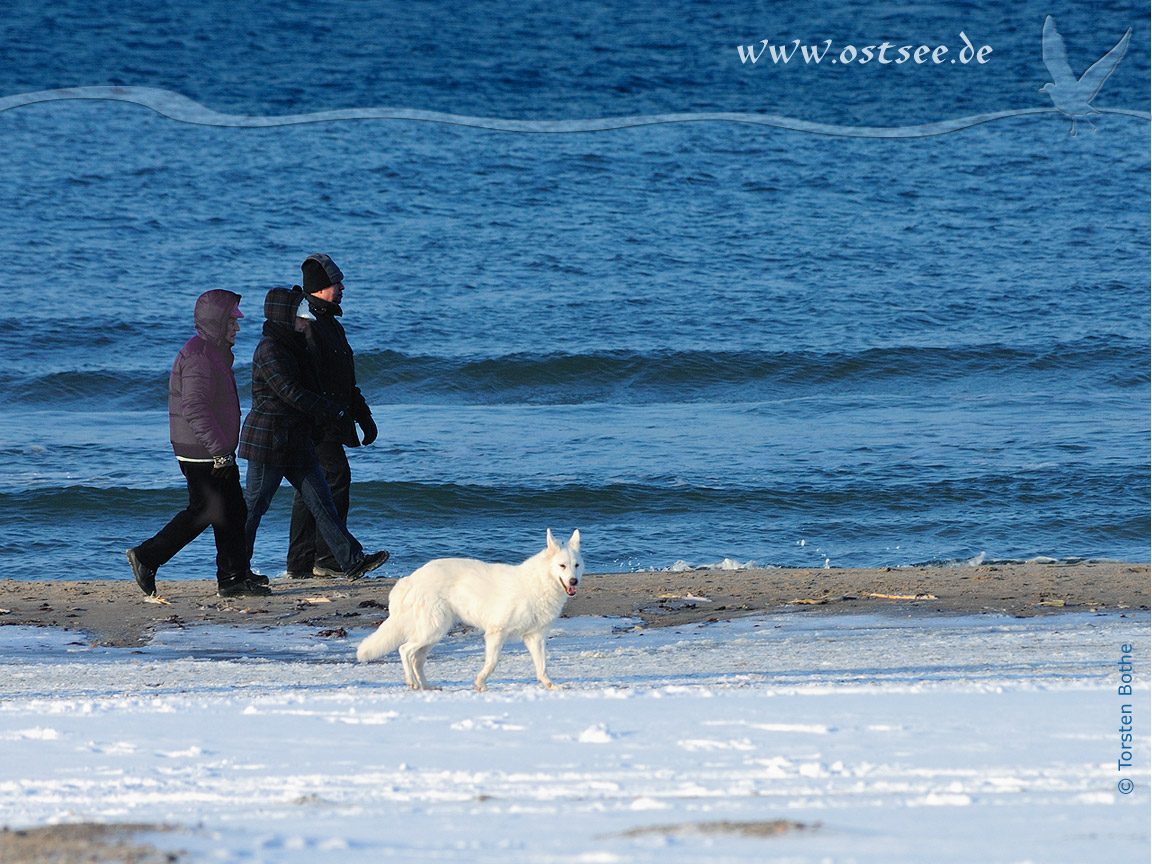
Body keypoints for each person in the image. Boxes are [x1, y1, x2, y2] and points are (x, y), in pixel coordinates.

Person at [126, 290, 269, 598]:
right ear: (217, 322)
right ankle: (147, 557)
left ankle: (234, 577)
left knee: (233, 511)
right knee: (206, 510)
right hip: (202, 452)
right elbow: (195, 408)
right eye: (232, 321)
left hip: (212, 449)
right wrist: (220, 452)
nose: (237, 327)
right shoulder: (200, 356)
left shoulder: (213, 352)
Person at [239, 286, 388, 581]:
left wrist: (355, 411)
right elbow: (291, 393)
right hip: (269, 442)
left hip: (298, 440)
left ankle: (351, 560)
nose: (307, 323)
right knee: (254, 507)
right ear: (285, 316)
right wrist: (333, 411)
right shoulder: (269, 349)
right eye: (301, 318)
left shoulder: (295, 346)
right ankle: (235, 568)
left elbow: (322, 383)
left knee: (322, 501)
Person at [286, 253, 379, 579]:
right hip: (316, 423)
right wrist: (319, 416)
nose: (342, 288)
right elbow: (305, 381)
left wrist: (362, 415)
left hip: (334, 420)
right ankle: (327, 558)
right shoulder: (308, 324)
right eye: (335, 283)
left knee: (310, 489)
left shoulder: (331, 324)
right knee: (334, 479)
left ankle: (300, 563)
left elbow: (344, 378)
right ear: (320, 288)